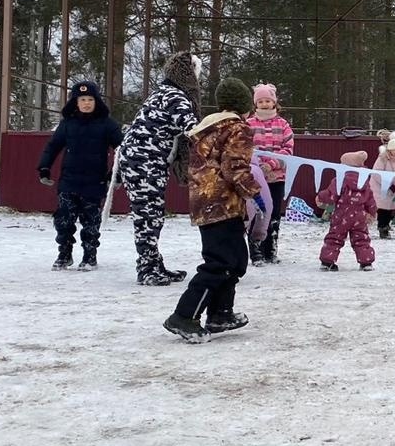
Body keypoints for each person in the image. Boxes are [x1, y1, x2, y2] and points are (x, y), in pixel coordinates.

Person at [163, 78, 262, 343]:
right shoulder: (237, 128)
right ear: (245, 106)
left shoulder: (207, 129)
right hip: (222, 204)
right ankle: (184, 316)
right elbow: (235, 167)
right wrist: (255, 193)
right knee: (221, 263)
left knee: (235, 260)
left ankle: (220, 313)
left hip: (206, 204)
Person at [118, 52, 202, 286]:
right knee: (147, 216)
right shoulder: (176, 97)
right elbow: (193, 130)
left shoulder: (163, 93)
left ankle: (154, 263)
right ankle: (146, 269)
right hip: (144, 162)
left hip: (142, 160)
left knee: (153, 214)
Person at [37, 81, 123, 271]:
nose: (86, 103)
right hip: (69, 182)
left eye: (90, 99)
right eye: (82, 99)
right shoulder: (67, 124)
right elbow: (52, 147)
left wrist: (117, 176)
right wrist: (44, 168)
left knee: (91, 223)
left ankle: (89, 257)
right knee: (63, 221)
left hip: (94, 183)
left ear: (96, 101)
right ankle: (64, 255)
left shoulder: (107, 125)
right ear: (75, 102)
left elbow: (123, 150)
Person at [248, 82, 294, 265]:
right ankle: (256, 249)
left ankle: (270, 249)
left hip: (277, 177)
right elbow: (244, 148)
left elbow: (288, 149)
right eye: (261, 101)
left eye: (268, 100)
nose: (265, 104)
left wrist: (272, 164)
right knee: (257, 210)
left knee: (274, 213)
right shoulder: (248, 124)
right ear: (256, 104)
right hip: (256, 177)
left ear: (274, 102)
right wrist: (258, 166)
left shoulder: (283, 124)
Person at [316, 151, 377, 271]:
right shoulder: (365, 181)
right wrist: (372, 212)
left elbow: (331, 195)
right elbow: (370, 199)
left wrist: (320, 196)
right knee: (361, 238)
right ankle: (366, 263)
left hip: (341, 215)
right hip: (359, 216)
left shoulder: (339, 179)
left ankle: (327, 262)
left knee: (335, 237)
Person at [371, 130, 395, 239]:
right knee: (383, 209)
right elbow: (377, 173)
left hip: (391, 188)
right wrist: (387, 184)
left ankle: (386, 226)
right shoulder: (382, 158)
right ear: (390, 149)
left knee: (389, 208)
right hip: (380, 188)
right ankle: (382, 227)